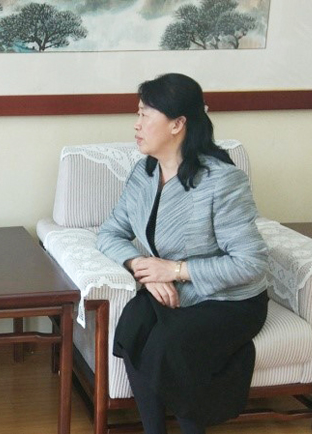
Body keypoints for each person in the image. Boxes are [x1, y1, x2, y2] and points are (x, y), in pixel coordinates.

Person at [95, 73, 269, 434]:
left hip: (230, 301)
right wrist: (143, 268)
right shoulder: (143, 174)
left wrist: (174, 271)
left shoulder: (222, 181)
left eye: (145, 115)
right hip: (175, 291)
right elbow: (110, 232)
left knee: (168, 346)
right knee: (132, 324)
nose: (136, 124)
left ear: (177, 124)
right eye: (138, 114)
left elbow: (250, 263)